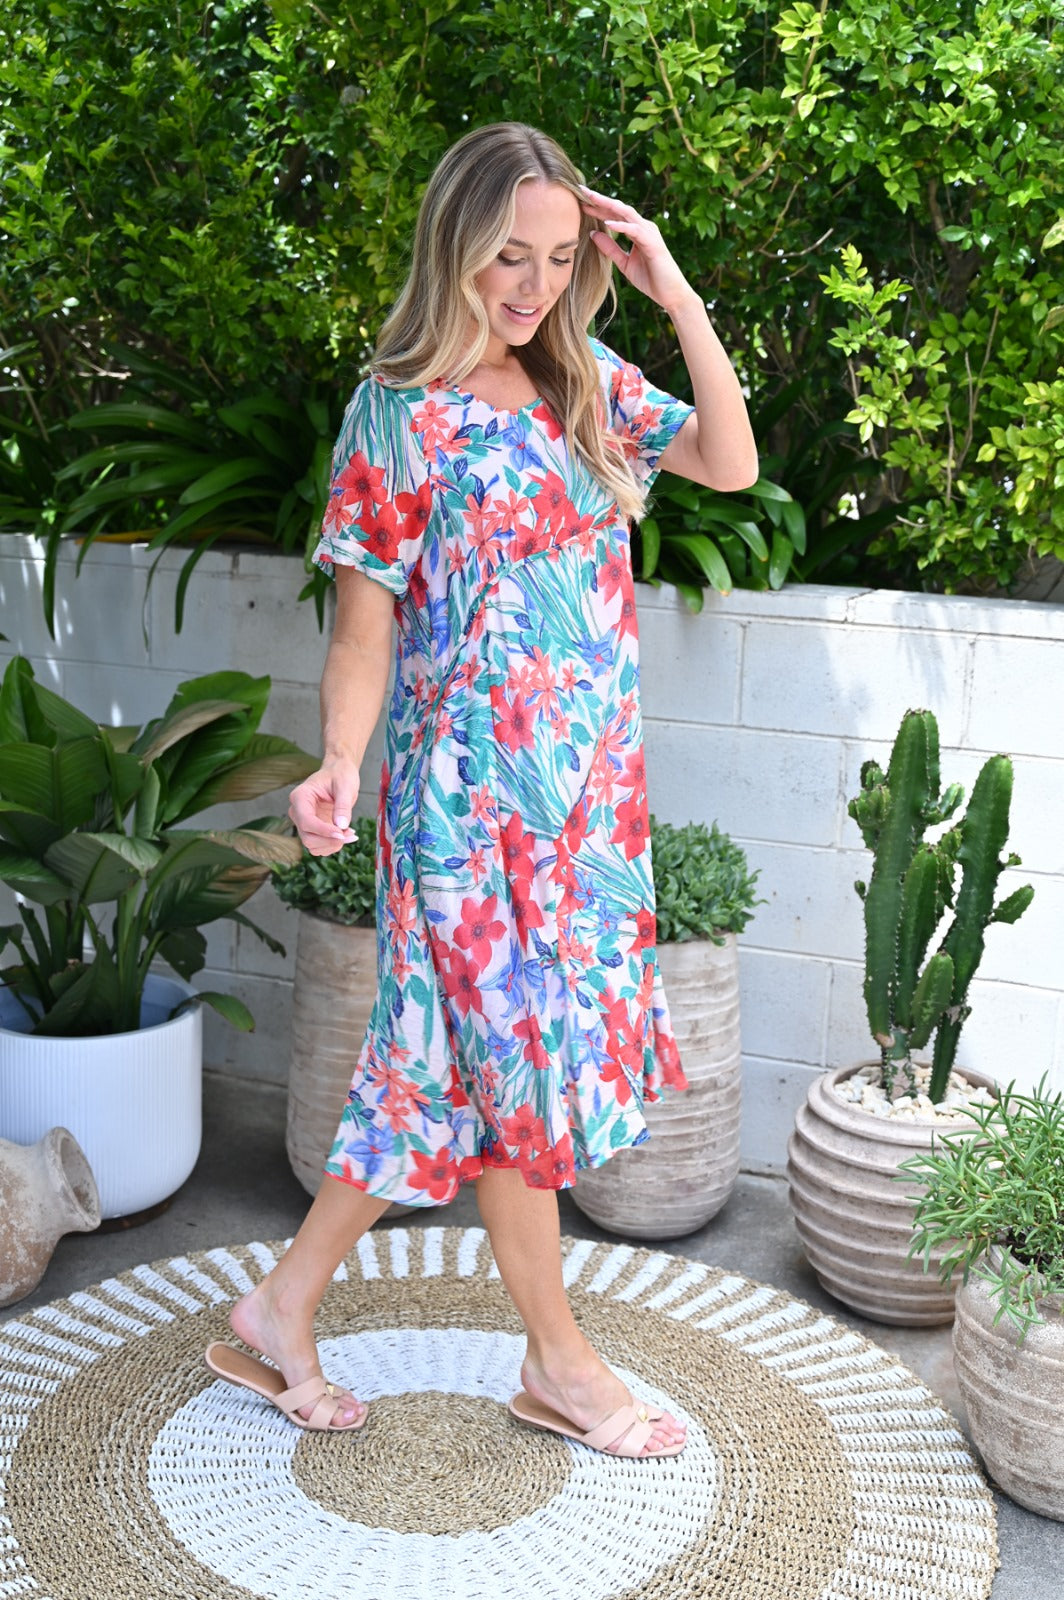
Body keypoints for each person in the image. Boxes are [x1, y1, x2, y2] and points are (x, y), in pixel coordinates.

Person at [204, 122, 757, 1457]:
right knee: (510, 1073)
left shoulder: (586, 381)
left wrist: (675, 292)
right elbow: (364, 627)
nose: (534, 285)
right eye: (511, 255)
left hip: (585, 805)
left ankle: (280, 1309)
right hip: (462, 810)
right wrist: (341, 761)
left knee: (434, 1071)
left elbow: (730, 463)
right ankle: (561, 1366)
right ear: (454, 243)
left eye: (561, 260)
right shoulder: (398, 410)